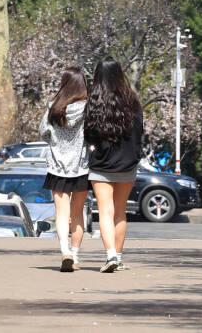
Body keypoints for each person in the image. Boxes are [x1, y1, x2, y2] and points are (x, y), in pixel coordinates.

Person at [85, 56, 143, 274]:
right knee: (120, 211)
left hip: (101, 165)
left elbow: (88, 135)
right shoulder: (132, 102)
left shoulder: (94, 102)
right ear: (120, 74)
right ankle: (117, 257)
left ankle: (110, 254)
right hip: (127, 164)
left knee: (104, 211)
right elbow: (139, 132)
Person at [40, 65, 90, 272]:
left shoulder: (54, 107)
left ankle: (64, 251)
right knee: (78, 214)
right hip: (81, 166)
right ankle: (75, 256)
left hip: (57, 167)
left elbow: (44, 132)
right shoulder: (88, 108)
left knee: (61, 213)